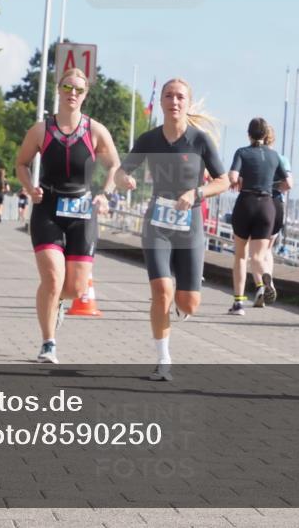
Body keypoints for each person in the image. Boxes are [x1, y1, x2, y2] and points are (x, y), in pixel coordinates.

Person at [115, 78, 229, 380]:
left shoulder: (200, 140)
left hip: (189, 225)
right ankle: (163, 359)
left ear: (187, 103)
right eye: (169, 96)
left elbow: (224, 180)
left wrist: (197, 193)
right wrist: (123, 179)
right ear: (162, 102)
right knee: (161, 291)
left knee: (188, 302)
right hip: (158, 225)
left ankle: (185, 290)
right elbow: (121, 170)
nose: (174, 101)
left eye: (180, 97)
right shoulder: (149, 139)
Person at [15, 68, 121, 363]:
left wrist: (104, 193)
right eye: (67, 87)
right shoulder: (41, 130)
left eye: (78, 89)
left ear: (85, 95)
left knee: (74, 288)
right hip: (48, 208)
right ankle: (48, 342)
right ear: (58, 90)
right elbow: (21, 163)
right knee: (52, 276)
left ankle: (59, 302)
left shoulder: (95, 130)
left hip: (82, 211)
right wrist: (29, 187)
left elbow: (114, 165)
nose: (72, 93)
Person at [227, 118, 287, 314]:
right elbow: (287, 183)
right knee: (258, 256)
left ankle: (238, 303)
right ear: (265, 134)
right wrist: (270, 185)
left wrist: (238, 183)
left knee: (241, 256)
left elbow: (233, 177)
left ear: (249, 134)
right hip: (267, 205)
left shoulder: (242, 152)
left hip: (246, 203)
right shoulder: (275, 156)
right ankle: (266, 276)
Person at [263, 124, 293, 294]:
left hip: (256, 201)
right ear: (273, 139)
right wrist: (276, 186)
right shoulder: (281, 159)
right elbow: (289, 184)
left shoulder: (251, 155)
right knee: (267, 249)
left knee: (253, 250)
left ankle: (260, 285)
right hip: (276, 203)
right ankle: (269, 281)